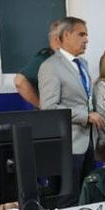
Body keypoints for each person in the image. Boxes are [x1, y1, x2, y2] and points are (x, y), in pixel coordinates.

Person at [38, 17, 99, 179]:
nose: (86, 39)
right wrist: (84, 117)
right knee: (70, 198)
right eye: (81, 34)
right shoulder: (50, 66)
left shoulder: (83, 64)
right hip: (69, 144)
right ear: (66, 35)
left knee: (89, 195)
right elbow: (49, 107)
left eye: (86, 35)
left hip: (89, 141)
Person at [13, 20, 62, 109]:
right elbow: (19, 82)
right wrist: (41, 105)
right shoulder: (45, 58)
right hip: (52, 117)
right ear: (56, 38)